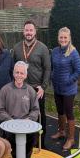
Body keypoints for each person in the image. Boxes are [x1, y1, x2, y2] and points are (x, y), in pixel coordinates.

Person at [13, 20, 51, 149]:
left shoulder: (43, 48)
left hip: (36, 88)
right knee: (22, 114)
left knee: (40, 115)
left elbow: (47, 68)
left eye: (31, 30)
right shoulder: (17, 47)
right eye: (26, 30)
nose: (28, 33)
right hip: (21, 87)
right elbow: (12, 68)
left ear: (35, 32)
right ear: (23, 32)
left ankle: (41, 143)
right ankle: (26, 143)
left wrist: (43, 86)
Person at [0, 61, 40, 158]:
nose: (19, 75)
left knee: (33, 135)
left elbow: (35, 109)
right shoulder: (5, 90)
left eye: (22, 73)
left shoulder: (30, 90)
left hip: (26, 122)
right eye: (17, 72)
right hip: (9, 123)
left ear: (25, 75)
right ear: (13, 73)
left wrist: (29, 120)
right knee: (12, 137)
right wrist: (11, 121)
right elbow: (0, 109)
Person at [51, 27, 80, 150]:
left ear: (69, 38)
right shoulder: (54, 51)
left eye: (65, 37)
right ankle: (61, 131)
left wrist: (68, 81)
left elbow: (79, 71)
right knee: (60, 111)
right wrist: (52, 77)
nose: (63, 39)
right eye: (61, 37)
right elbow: (52, 67)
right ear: (58, 38)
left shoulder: (73, 52)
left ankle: (71, 139)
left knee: (69, 113)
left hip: (69, 89)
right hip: (57, 87)